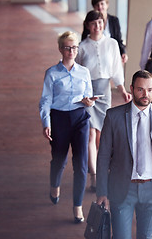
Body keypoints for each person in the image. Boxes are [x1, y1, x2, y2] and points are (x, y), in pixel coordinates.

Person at [96, 70, 152, 239]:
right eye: (140, 89)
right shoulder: (113, 116)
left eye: (150, 90)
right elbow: (104, 156)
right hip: (122, 188)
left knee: (147, 237)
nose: (146, 94)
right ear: (131, 88)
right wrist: (102, 190)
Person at [39, 31, 96, 223]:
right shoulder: (52, 73)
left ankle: (77, 206)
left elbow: (89, 96)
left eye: (74, 47)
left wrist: (89, 102)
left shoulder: (84, 72)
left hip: (80, 119)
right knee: (59, 160)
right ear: (60, 49)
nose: (71, 51)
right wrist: (46, 122)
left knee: (80, 164)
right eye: (67, 47)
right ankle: (55, 185)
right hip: (59, 120)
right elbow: (45, 101)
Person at [76, 10, 132, 192]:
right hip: (87, 93)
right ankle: (94, 176)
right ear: (87, 26)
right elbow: (76, 73)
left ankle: (104, 171)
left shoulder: (112, 44)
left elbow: (117, 70)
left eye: (100, 22)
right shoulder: (82, 46)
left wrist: (122, 90)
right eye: (93, 23)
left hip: (104, 92)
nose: (97, 26)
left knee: (102, 136)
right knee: (91, 134)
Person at [81, 0, 128, 64]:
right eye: (97, 5)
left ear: (107, 5)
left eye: (102, 4)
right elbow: (84, 39)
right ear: (94, 7)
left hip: (110, 55)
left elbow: (118, 40)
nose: (100, 7)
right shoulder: (90, 21)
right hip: (94, 55)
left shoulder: (114, 20)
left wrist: (123, 52)